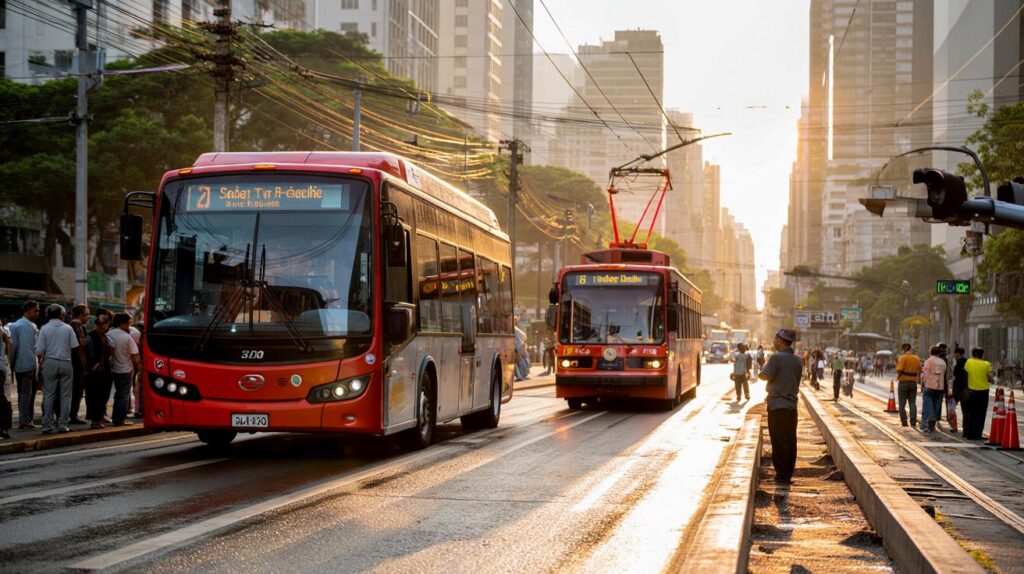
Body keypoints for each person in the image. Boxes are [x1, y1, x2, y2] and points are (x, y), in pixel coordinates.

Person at [759, 328, 803, 485]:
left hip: (777, 406)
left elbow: (764, 375)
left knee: (778, 441)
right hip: (792, 406)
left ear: (781, 341)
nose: (774, 341)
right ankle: (788, 474)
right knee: (791, 440)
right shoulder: (798, 361)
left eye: (775, 339)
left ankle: (781, 476)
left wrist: (763, 365)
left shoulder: (776, 358)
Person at [35, 304, 79, 434]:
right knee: (65, 396)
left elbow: (39, 350)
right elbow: (75, 346)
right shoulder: (68, 328)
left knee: (49, 395)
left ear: (48, 315)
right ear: (62, 315)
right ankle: (62, 425)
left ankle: (47, 425)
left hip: (49, 362)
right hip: (66, 362)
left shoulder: (44, 328)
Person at [10, 301, 41, 430]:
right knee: (26, 394)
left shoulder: (16, 325)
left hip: (21, 363)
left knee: (24, 393)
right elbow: (15, 346)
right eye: (36, 310)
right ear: (28, 310)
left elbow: (13, 347)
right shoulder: (29, 326)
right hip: (29, 364)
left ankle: (27, 419)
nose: (37, 313)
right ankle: (25, 420)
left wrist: (12, 364)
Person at [107, 313, 140, 426]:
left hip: (112, 369)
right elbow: (135, 355)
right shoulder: (127, 337)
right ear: (122, 323)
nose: (129, 326)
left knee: (116, 394)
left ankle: (112, 417)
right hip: (125, 370)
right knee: (123, 395)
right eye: (128, 323)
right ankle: (119, 419)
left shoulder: (108, 334)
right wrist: (137, 370)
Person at [84, 313, 114, 429]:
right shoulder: (91, 337)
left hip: (103, 370)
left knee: (102, 395)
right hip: (94, 370)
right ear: (103, 324)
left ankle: (97, 418)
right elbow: (84, 352)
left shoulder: (104, 337)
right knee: (94, 396)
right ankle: (95, 420)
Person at [963, 347, 993, 440]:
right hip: (983, 392)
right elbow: (990, 378)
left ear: (972, 354)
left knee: (970, 413)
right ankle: (977, 435)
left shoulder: (968, 362)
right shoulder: (986, 364)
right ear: (982, 355)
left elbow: (965, 373)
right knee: (980, 414)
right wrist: (990, 379)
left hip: (971, 392)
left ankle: (969, 434)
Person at [68, 304, 89, 425]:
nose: (88, 317)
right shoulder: (76, 326)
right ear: (81, 315)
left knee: (75, 392)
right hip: (76, 364)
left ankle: (72, 415)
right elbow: (79, 348)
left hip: (75, 364)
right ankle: (72, 415)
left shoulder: (78, 327)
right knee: (75, 391)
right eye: (86, 314)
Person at [919, 346, 946, 433]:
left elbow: (925, 374)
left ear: (930, 352)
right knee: (936, 406)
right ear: (939, 353)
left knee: (927, 406)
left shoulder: (929, 361)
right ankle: (932, 425)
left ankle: (925, 423)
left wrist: (922, 383)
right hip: (940, 387)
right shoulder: (943, 362)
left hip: (929, 386)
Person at [895, 343, 921, 428]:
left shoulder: (902, 358)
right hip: (913, 383)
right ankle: (913, 421)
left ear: (903, 349)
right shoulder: (916, 358)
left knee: (902, 404)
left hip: (903, 383)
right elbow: (919, 369)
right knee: (912, 403)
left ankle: (904, 422)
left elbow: (899, 370)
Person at [951, 348, 969, 434]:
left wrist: (956, 393)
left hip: (962, 391)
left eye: (956, 355)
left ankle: (965, 431)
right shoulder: (968, 362)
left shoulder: (958, 365)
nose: (955, 356)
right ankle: (967, 430)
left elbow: (957, 381)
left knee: (965, 410)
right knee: (968, 411)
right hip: (968, 389)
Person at [0, 319, 12, 439]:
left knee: (1, 398)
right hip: (2, 367)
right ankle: (4, 427)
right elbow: (8, 349)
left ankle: (4, 427)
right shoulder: (3, 331)